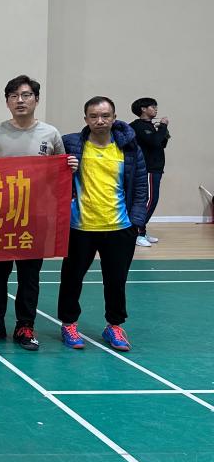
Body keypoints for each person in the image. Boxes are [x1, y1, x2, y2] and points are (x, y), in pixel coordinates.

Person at [0, 76, 78, 351]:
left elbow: (59, 172)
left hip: (35, 217)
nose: (20, 101)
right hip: (0, 216)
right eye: (13, 96)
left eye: (25, 95)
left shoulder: (51, 134)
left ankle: (25, 325)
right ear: (7, 102)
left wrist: (69, 166)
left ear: (36, 99)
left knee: (29, 276)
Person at [58, 96, 148, 352]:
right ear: (85, 119)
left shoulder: (129, 148)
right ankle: (69, 324)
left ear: (114, 117)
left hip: (120, 227)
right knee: (71, 279)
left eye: (105, 116)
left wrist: (136, 222)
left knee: (116, 281)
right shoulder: (71, 144)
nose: (100, 121)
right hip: (80, 227)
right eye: (94, 116)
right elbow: (51, 174)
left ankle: (114, 326)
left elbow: (140, 187)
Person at [129, 97, 170, 248]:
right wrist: (163, 126)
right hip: (147, 169)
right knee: (149, 201)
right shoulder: (138, 126)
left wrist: (163, 130)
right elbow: (154, 142)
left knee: (151, 200)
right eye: (153, 106)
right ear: (143, 109)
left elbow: (161, 143)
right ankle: (136, 233)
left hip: (156, 169)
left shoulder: (150, 126)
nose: (156, 109)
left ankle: (142, 231)